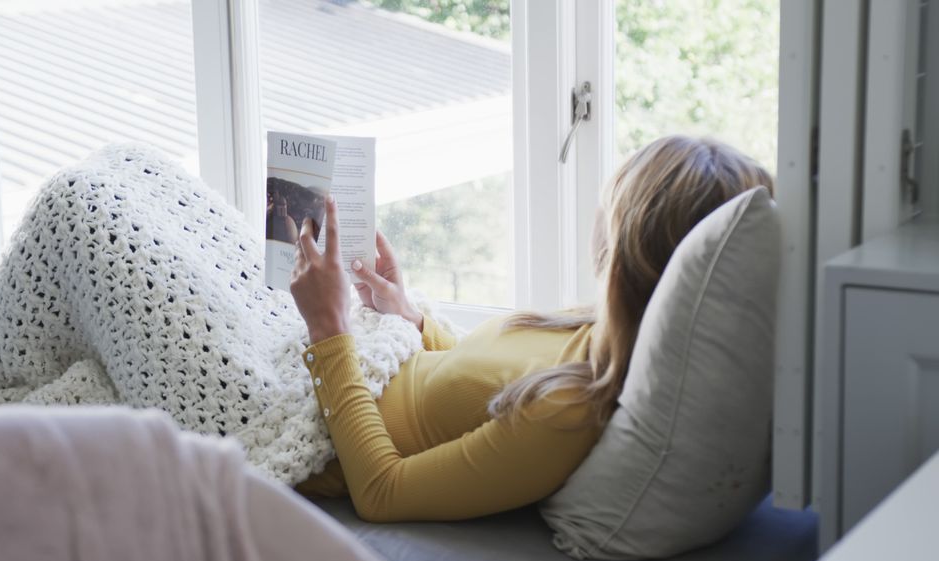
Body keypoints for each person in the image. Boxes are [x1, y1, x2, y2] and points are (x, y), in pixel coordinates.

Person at [289, 135, 774, 522]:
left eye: (611, 200)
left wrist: (329, 329)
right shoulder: (594, 326)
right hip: (348, 369)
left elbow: (382, 492)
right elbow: (472, 384)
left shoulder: (566, 410)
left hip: (309, 423)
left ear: (629, 242)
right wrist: (408, 318)